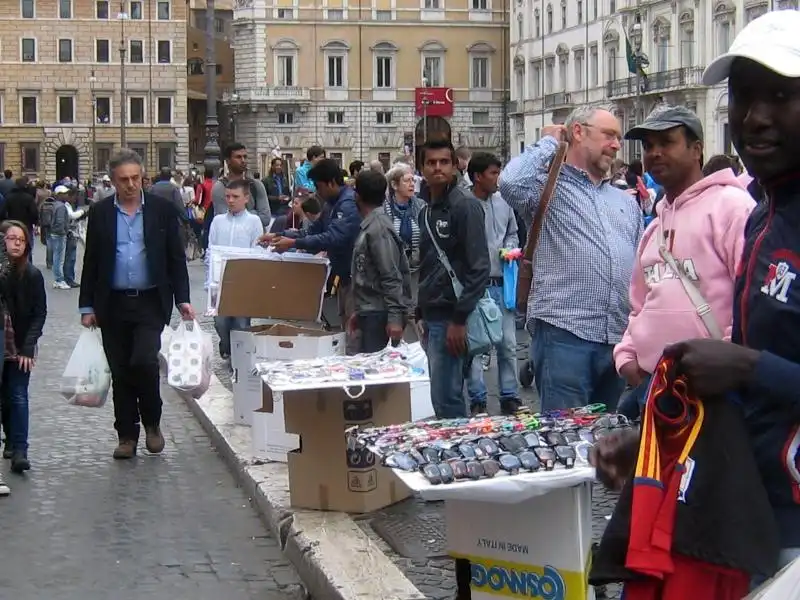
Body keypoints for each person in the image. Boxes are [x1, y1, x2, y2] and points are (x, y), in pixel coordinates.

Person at [592, 9, 800, 583]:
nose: (755, 118)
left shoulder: (735, 209)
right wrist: (659, 440)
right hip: (751, 511)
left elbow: (750, 371)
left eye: (780, 96)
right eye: (742, 98)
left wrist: (748, 365)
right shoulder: (763, 219)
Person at [614, 106, 755, 419]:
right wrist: (627, 356)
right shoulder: (655, 225)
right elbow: (639, 302)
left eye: (666, 142)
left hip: (712, 391)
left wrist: (725, 362)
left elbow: (751, 302)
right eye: (649, 146)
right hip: (652, 386)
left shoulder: (732, 208)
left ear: (696, 149)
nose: (655, 153)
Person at [500, 107, 643, 412]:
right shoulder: (546, 188)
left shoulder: (624, 202)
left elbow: (639, 270)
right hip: (564, 336)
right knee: (566, 441)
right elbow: (510, 182)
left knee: (605, 443)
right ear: (578, 132)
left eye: (618, 137)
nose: (616, 144)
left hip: (615, 338)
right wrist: (551, 143)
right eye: (608, 135)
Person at [79, 149, 194, 460]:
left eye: (135, 178)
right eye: (123, 180)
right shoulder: (101, 212)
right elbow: (92, 261)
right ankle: (126, 435)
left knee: (143, 362)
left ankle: (152, 423)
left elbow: (175, 258)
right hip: (112, 302)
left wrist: (183, 299)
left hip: (150, 301)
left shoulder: (161, 210)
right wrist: (86, 306)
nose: (130, 185)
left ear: (142, 177)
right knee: (120, 370)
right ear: (113, 181)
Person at [417, 140, 490, 419]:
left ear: (454, 165)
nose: (437, 167)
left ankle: (459, 457)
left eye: (444, 162)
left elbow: (479, 267)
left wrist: (459, 320)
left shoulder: (465, 206)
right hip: (433, 315)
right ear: (422, 168)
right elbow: (426, 265)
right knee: (441, 395)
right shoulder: (427, 209)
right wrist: (420, 311)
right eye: (431, 162)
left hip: (453, 317)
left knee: (447, 399)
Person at [268, 159, 362, 353]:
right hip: (343, 276)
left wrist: (293, 243)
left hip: (356, 278)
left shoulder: (348, 204)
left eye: (319, 187)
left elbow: (333, 237)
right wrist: (280, 235)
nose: (318, 193)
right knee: (345, 328)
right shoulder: (331, 205)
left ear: (331, 183)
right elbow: (312, 232)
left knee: (354, 334)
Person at [465, 152, 522, 416]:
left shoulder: (505, 202)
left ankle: (510, 395)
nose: (498, 179)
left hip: (502, 282)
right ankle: (477, 396)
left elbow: (513, 233)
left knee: (508, 343)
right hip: (475, 286)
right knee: (478, 344)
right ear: (478, 176)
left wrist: (510, 248)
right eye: (493, 174)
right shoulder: (464, 203)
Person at [0, 221, 45, 476]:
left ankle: (20, 450)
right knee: (4, 398)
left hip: (20, 346)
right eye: (11, 238)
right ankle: (9, 439)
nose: (16, 243)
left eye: (21, 239)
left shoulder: (32, 274)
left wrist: (28, 347)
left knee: (17, 395)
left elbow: (40, 313)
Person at [348, 170, 411, 353]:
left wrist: (394, 319)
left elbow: (391, 276)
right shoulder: (371, 225)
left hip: (379, 314)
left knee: (378, 375)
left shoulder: (379, 229)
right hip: (369, 311)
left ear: (357, 196)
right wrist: (358, 312)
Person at [207, 180, 263, 359]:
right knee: (220, 322)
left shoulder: (254, 221)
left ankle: (238, 357)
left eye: (235, 197)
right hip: (220, 281)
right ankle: (226, 343)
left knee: (241, 322)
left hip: (242, 283)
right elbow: (211, 249)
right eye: (228, 196)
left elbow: (257, 250)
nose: (230, 200)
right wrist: (210, 280)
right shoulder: (218, 221)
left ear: (246, 198)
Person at [382, 165, 425, 298]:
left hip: (416, 272)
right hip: (391, 273)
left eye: (413, 180)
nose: (412, 184)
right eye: (407, 181)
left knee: (412, 311)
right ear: (394, 185)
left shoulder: (421, 206)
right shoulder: (384, 209)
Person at [212, 143, 271, 229]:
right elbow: (223, 220)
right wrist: (254, 213)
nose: (243, 160)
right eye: (238, 157)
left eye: (245, 157)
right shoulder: (220, 187)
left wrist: (237, 213)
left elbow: (265, 219)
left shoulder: (256, 185)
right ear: (228, 161)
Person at [49, 185, 86, 290]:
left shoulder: (57, 204)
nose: (66, 195)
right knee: (60, 258)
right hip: (60, 234)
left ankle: (61, 279)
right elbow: (64, 220)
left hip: (57, 233)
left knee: (59, 257)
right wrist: (64, 231)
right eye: (64, 193)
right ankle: (60, 280)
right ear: (59, 195)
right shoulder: (61, 206)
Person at [0, 178, 38, 263]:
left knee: (11, 246)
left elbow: (2, 212)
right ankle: (27, 267)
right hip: (26, 226)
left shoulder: (8, 197)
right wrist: (34, 223)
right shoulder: (29, 198)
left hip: (11, 225)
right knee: (27, 247)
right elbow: (34, 213)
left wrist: (5, 222)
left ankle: (11, 265)